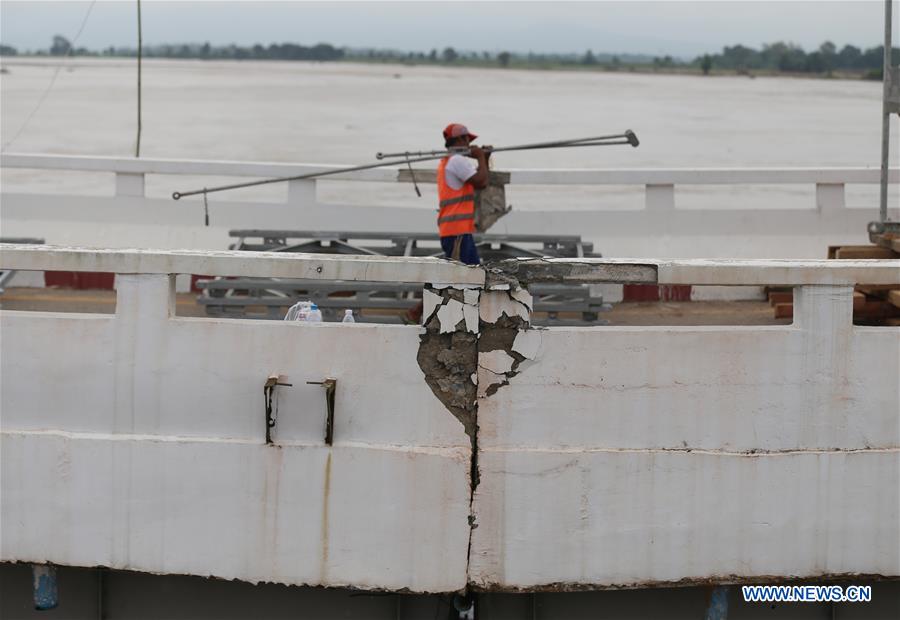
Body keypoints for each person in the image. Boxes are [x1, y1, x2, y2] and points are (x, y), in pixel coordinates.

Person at [436, 123, 491, 265]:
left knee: (464, 275)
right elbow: (482, 182)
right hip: (457, 232)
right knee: (469, 277)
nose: (469, 144)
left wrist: (484, 158)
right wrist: (480, 157)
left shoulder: (447, 161)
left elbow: (479, 179)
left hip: (454, 230)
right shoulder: (457, 161)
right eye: (468, 140)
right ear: (460, 139)